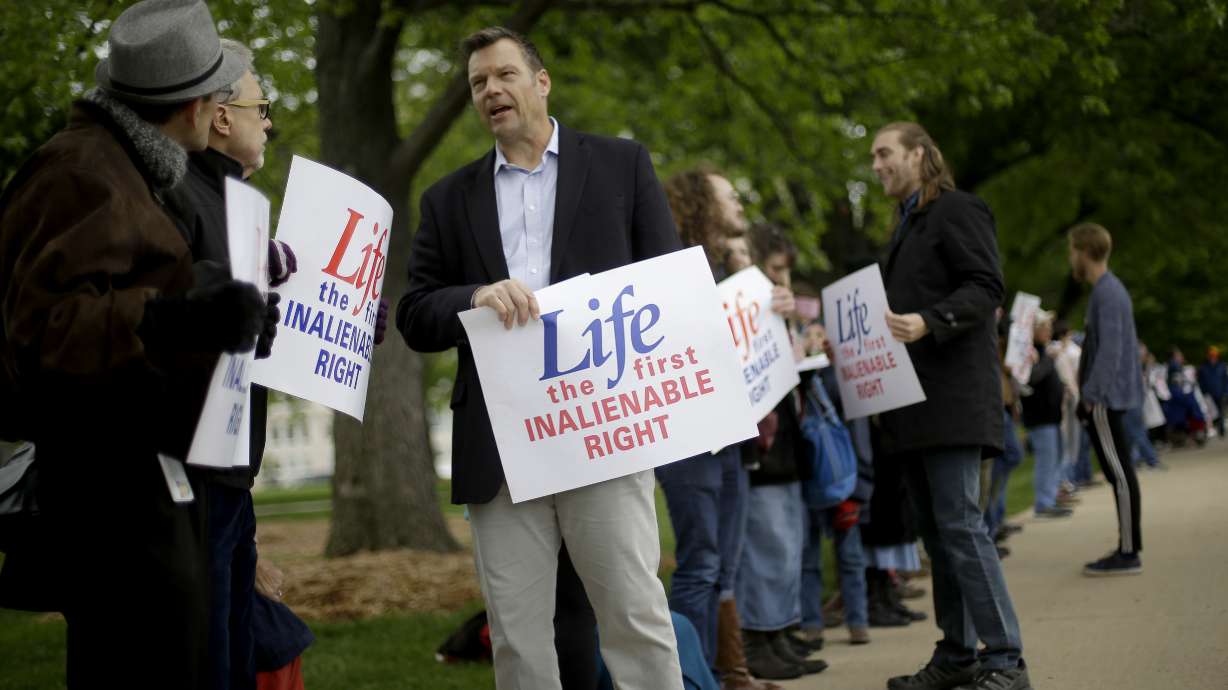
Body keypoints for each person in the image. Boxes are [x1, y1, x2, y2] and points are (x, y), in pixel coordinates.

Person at [397, 27, 682, 690]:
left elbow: (669, 286)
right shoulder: (447, 198)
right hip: (499, 448)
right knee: (520, 640)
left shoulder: (622, 165)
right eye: (477, 84)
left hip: (602, 433)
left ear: (541, 81)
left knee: (634, 617)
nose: (491, 90)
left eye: (504, 75)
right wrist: (473, 297)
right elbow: (415, 315)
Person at [0, 1, 272, 686]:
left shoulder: (130, 169)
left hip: (152, 479)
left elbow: (137, 281)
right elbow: (40, 327)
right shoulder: (77, 171)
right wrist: (175, 318)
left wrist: (222, 308)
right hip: (108, 493)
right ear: (191, 107)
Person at [871, 122, 1029, 690]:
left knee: (961, 527)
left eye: (884, 152)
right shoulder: (905, 225)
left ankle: (1006, 658)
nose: (876, 164)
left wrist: (928, 321)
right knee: (937, 535)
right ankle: (958, 654)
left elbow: (987, 287)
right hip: (912, 407)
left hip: (955, 401)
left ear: (919, 154)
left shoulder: (958, 210)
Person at [658, 167, 780, 690]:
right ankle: (690, 679)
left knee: (721, 564)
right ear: (703, 202)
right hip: (689, 437)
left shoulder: (720, 268)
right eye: (731, 195)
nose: (739, 204)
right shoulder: (671, 266)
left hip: (729, 434)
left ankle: (722, 674)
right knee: (700, 563)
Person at [732, 224, 827, 681]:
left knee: (787, 546)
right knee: (767, 547)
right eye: (774, 272)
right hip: (763, 450)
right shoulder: (741, 311)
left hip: (786, 446)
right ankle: (759, 636)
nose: (783, 285)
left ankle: (781, 630)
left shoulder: (777, 316)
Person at [1069, 222, 1144, 576]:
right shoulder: (1107, 292)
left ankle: (1129, 552)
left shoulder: (1107, 293)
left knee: (1119, 474)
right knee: (1121, 473)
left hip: (1106, 399)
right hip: (1108, 396)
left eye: (1072, 251)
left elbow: (1110, 351)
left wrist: (1091, 396)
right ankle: (1127, 548)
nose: (1071, 258)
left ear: (1085, 252)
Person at [1020, 312, 1072, 518]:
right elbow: (1031, 377)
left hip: (1051, 415)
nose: (1048, 331)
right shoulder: (1029, 352)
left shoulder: (1044, 351)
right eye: (1043, 327)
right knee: (1046, 460)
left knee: (1055, 458)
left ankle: (1050, 498)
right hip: (1039, 416)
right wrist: (1049, 360)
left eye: (1049, 327)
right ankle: (1044, 502)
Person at [1197, 347, 1227, 438]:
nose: (1213, 357)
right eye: (1211, 356)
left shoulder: (1222, 366)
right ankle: (1211, 428)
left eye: (1214, 355)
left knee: (1221, 411)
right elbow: (1200, 381)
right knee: (1210, 413)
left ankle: (1221, 429)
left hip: (1220, 392)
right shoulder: (1203, 367)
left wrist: (1225, 391)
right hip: (1208, 394)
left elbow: (1225, 380)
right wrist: (1203, 391)